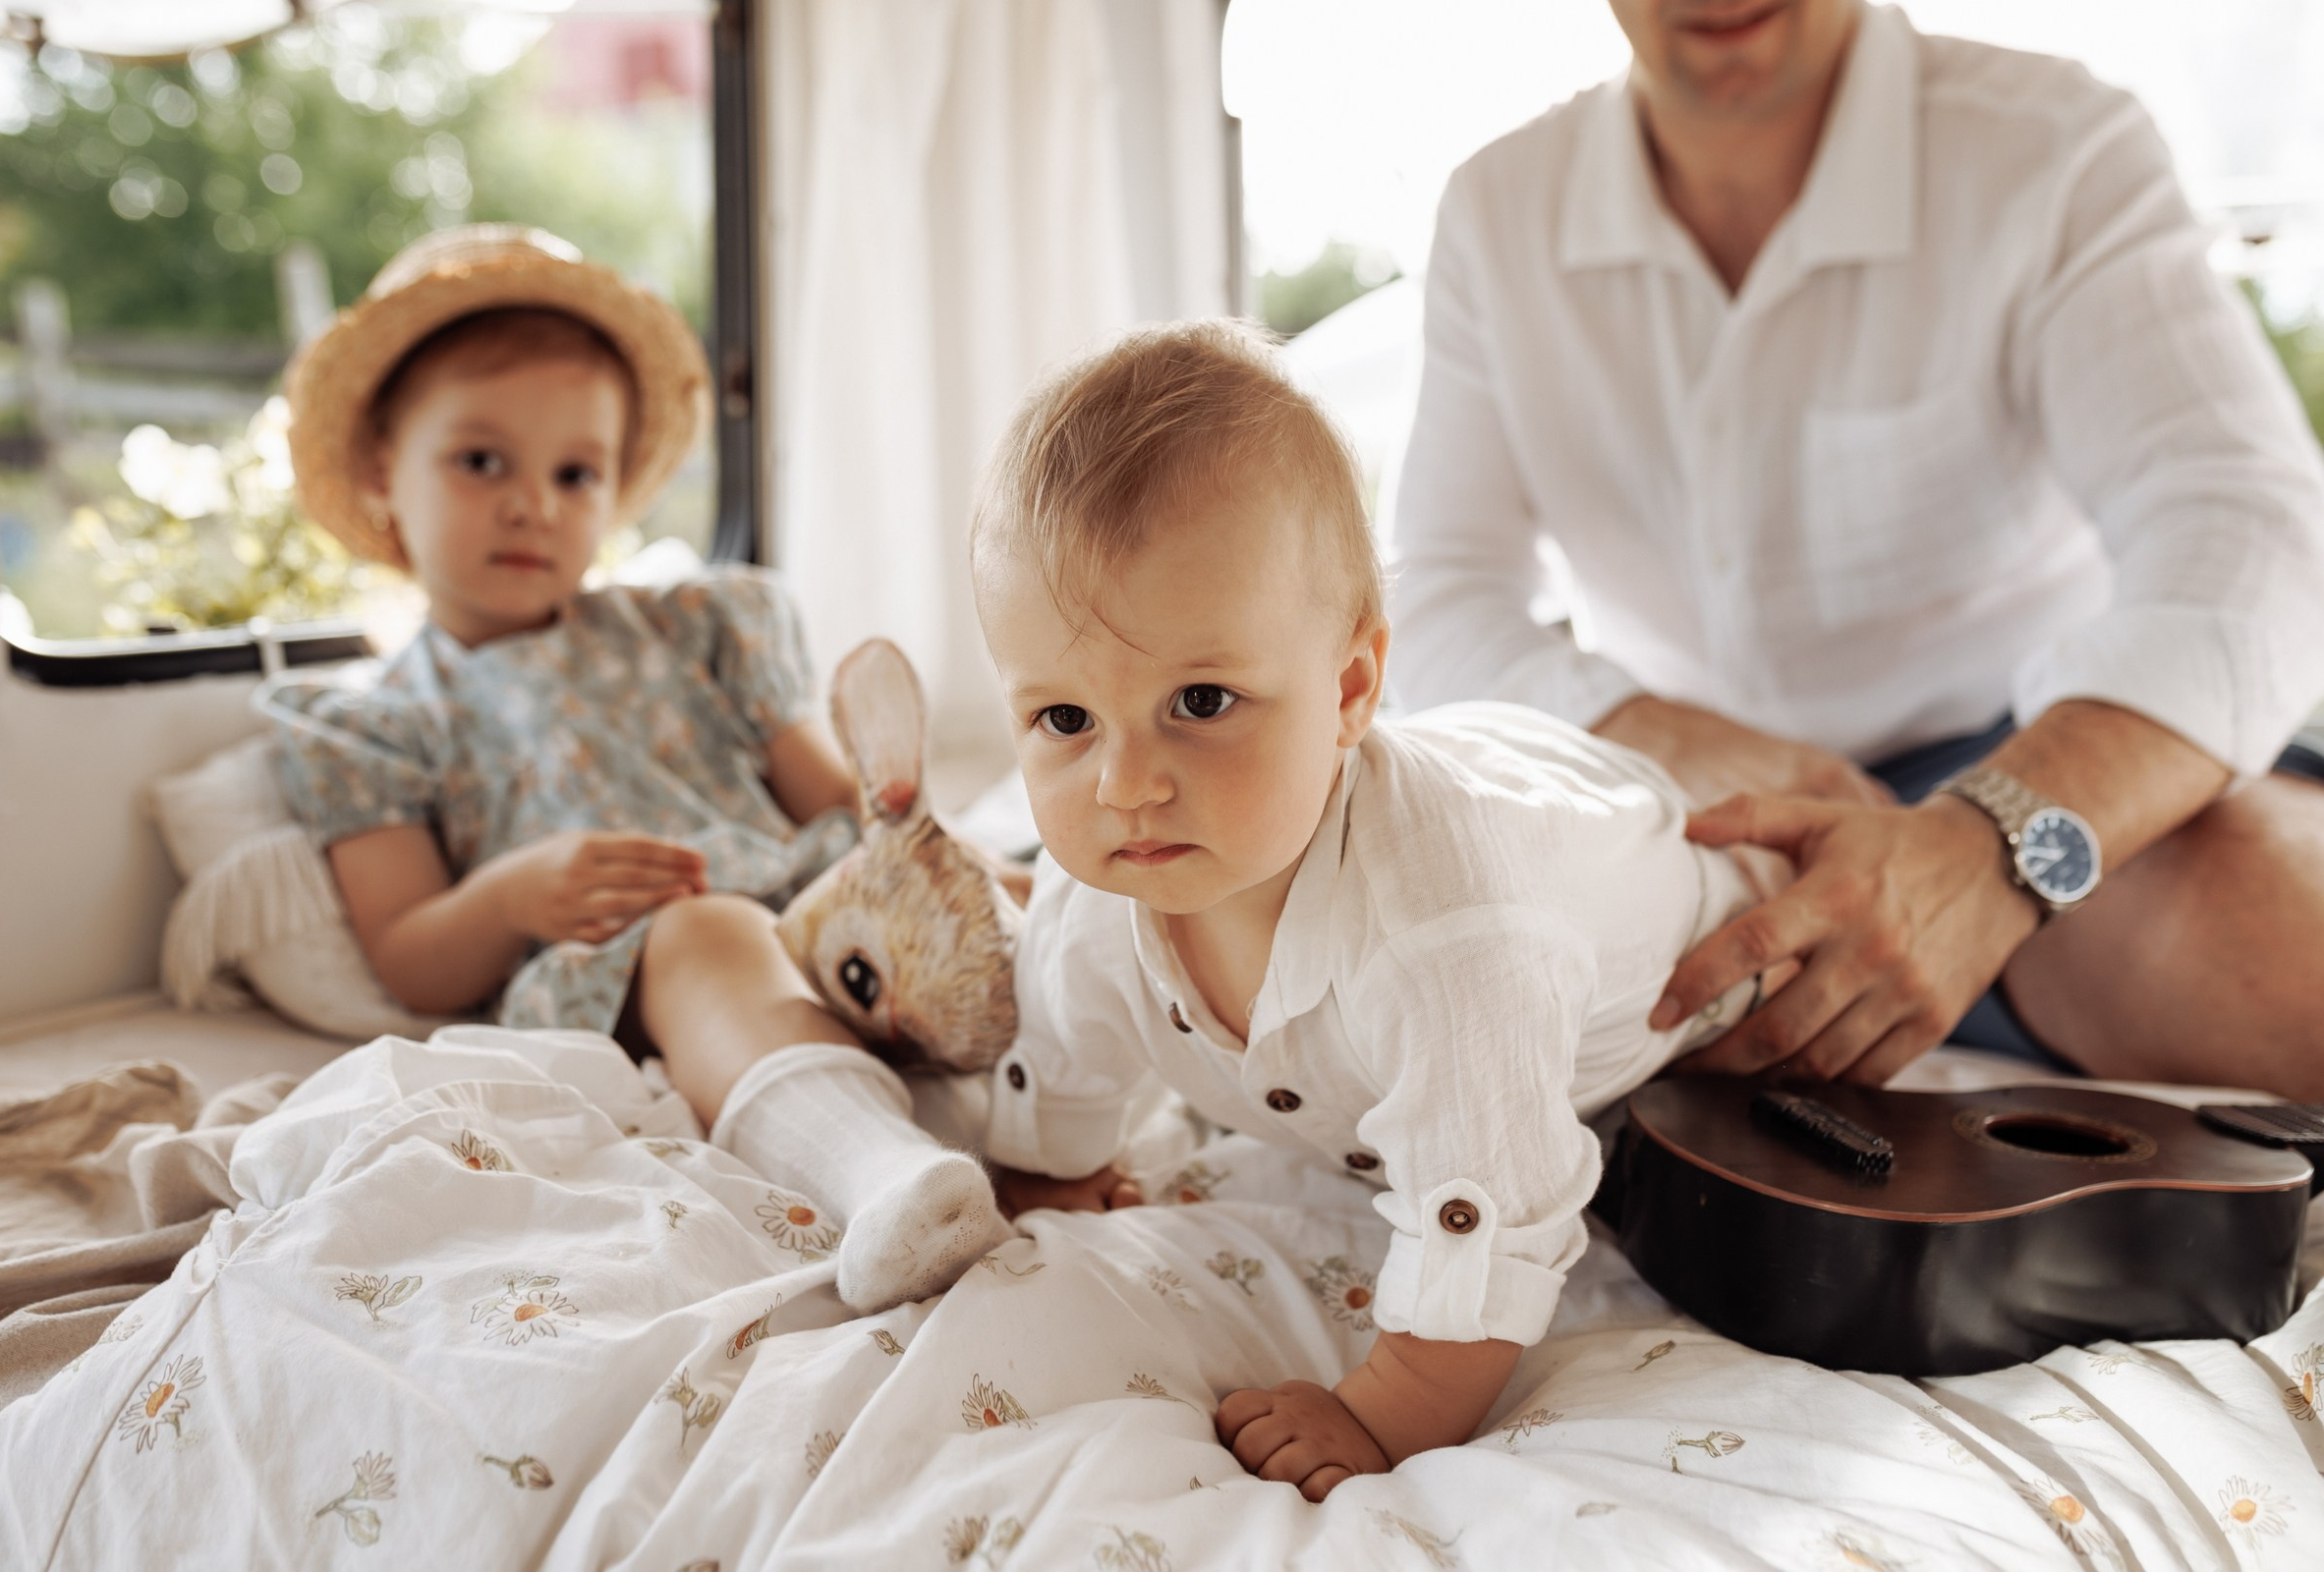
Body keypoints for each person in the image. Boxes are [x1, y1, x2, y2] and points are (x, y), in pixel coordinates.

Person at [1391, 0, 2324, 1095]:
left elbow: (2246, 526)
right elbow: (1436, 588)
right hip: (1683, 806)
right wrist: (1638, 730)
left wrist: (1981, 847)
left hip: (2029, 770)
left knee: (2287, 954)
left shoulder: (2055, 146)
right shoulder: (1497, 210)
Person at [969, 319, 1773, 1499]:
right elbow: (1066, 1056)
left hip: (1670, 893)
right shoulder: (1098, 901)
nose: (1123, 784)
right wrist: (1050, 1172)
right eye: (1063, 719)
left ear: (1350, 687)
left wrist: (1381, 1415)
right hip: (1475, 771)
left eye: (1200, 699)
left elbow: (1496, 1214)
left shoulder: (1452, 943)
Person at [262, 224, 1008, 1311]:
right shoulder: (382, 721)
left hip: (820, 913)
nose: (535, 503)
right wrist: (515, 893)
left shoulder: (693, 629)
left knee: (998, 886)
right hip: (642, 962)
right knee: (709, 929)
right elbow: (410, 958)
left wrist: (930, 871)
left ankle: (1096, 1108)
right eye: (482, 461)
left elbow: (848, 810)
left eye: (577, 472)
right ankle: (881, 1174)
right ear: (385, 467)